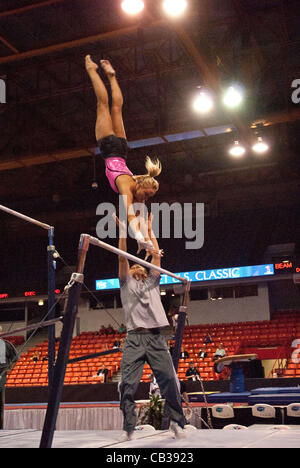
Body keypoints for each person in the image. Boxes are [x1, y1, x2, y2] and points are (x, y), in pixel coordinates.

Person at [115, 214, 186, 441]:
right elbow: (121, 257)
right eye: (135, 270)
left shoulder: (153, 282)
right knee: (128, 383)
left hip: (155, 337)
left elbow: (155, 254)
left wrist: (149, 229)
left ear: (145, 273)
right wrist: (123, 231)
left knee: (169, 380)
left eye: (141, 271)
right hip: (134, 338)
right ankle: (129, 426)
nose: (138, 272)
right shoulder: (126, 284)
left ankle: (176, 421)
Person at [85, 55, 162, 254]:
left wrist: (143, 240)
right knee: (103, 104)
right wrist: (139, 237)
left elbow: (136, 216)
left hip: (122, 148)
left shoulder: (132, 181)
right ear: (142, 185)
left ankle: (112, 77)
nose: (145, 199)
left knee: (117, 108)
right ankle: (91, 70)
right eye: (146, 195)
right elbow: (129, 214)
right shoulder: (127, 186)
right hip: (109, 148)